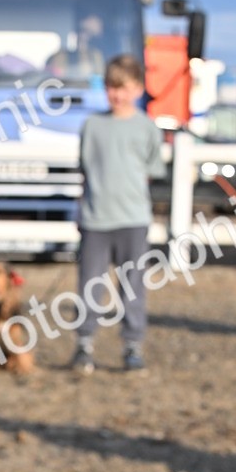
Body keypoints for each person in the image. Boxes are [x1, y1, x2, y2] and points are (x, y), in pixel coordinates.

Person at [71, 54, 165, 374]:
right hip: (96, 220)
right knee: (89, 285)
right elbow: (86, 170)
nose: (117, 94)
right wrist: (81, 212)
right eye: (112, 87)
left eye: (123, 87)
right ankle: (84, 343)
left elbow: (152, 169)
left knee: (133, 284)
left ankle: (132, 345)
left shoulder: (146, 128)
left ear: (138, 89)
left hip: (132, 220)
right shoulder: (93, 125)